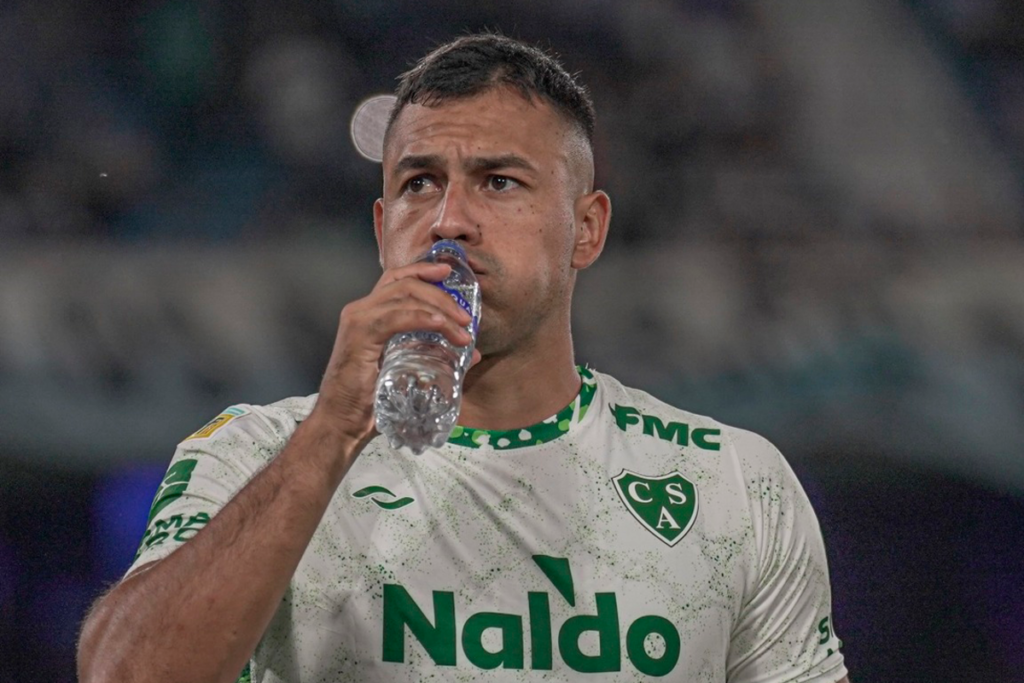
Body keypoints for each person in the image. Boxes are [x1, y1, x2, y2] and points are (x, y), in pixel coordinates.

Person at [77, 33, 849, 683]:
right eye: (420, 183)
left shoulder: (731, 485)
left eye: (499, 181)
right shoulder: (253, 456)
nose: (450, 220)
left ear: (586, 228)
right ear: (384, 228)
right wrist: (331, 432)